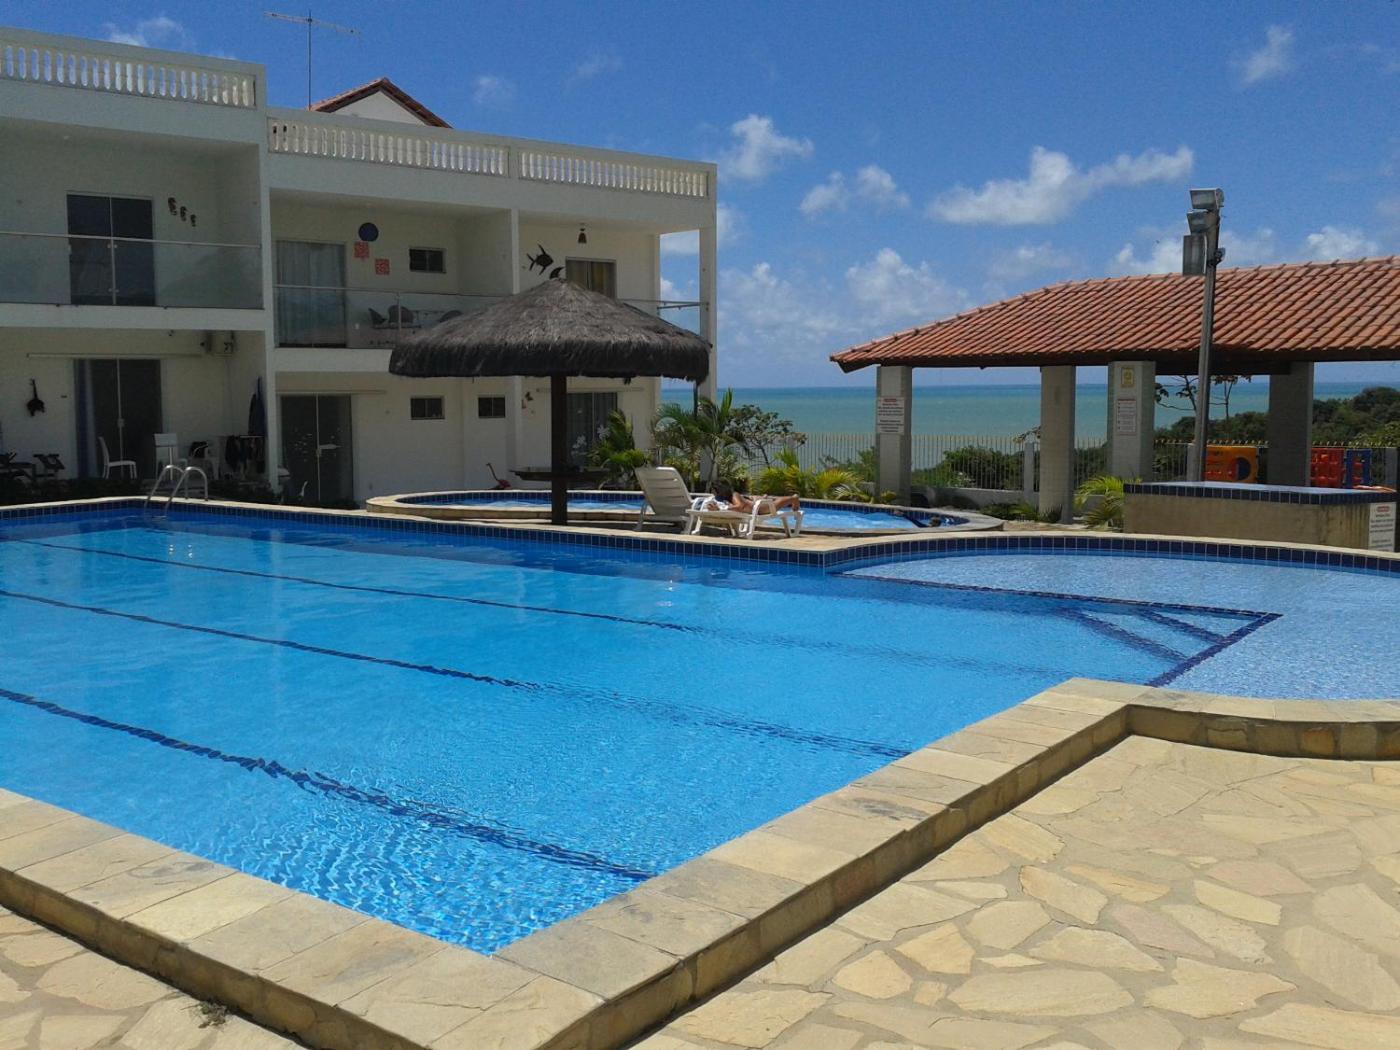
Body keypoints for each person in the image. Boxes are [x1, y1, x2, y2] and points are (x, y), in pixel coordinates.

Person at [708, 480, 801, 513]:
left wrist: (721, 509)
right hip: (753, 505)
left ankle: (794, 498)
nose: (713, 493)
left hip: (761, 508)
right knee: (754, 498)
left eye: (714, 491)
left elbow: (740, 507)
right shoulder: (725, 498)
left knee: (776, 504)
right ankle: (763, 497)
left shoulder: (734, 495)